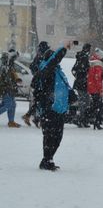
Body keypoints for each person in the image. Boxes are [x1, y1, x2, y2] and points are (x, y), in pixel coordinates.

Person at [35, 42, 74, 170]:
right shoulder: (46, 69)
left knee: (58, 136)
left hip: (59, 109)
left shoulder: (58, 71)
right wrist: (63, 48)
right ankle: (47, 160)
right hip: (49, 109)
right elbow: (54, 60)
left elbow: (65, 87)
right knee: (50, 136)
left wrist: (72, 96)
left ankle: (48, 158)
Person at [22, 42, 51, 127]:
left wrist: (36, 73)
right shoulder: (43, 57)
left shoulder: (38, 56)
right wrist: (39, 73)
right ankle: (38, 119)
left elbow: (32, 67)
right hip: (42, 84)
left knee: (39, 102)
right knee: (43, 102)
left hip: (38, 83)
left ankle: (33, 117)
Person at [71, 43, 92, 127]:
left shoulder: (80, 57)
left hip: (79, 83)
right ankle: (80, 119)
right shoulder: (84, 58)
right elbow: (84, 69)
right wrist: (85, 76)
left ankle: (80, 119)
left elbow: (73, 70)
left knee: (83, 101)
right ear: (88, 49)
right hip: (83, 84)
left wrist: (77, 77)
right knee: (85, 101)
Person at [0, 49, 22, 128]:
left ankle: (11, 122)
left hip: (10, 88)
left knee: (12, 105)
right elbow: (4, 79)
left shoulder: (9, 66)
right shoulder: (4, 67)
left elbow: (13, 75)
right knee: (8, 105)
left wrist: (16, 79)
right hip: (6, 89)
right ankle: (11, 121)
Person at [87, 48, 103, 130]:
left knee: (94, 105)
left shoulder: (92, 62)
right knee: (98, 105)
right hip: (95, 88)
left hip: (90, 86)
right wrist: (101, 90)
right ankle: (97, 122)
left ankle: (85, 117)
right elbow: (98, 78)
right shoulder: (99, 64)